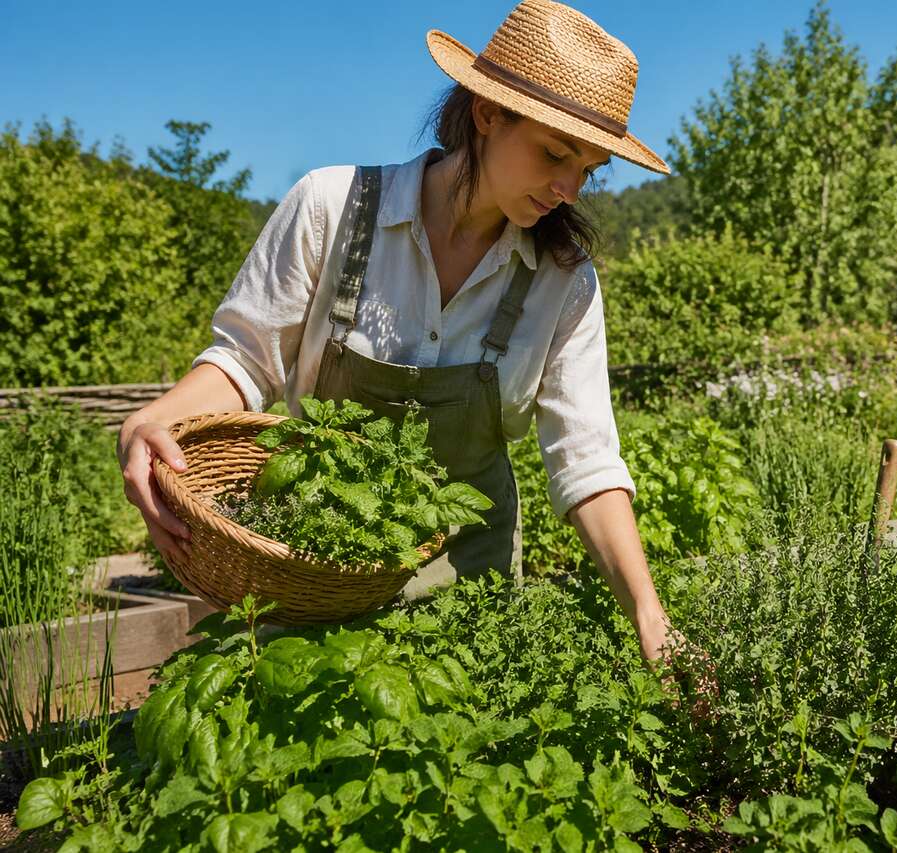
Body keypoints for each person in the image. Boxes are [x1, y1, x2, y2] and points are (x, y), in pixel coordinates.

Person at [116, 0, 684, 664]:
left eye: (588, 168)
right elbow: (244, 364)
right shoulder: (332, 210)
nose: (569, 187)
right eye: (555, 152)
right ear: (487, 114)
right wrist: (153, 421)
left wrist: (649, 615)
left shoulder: (562, 281)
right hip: (317, 568)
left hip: (469, 589)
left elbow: (585, 460)